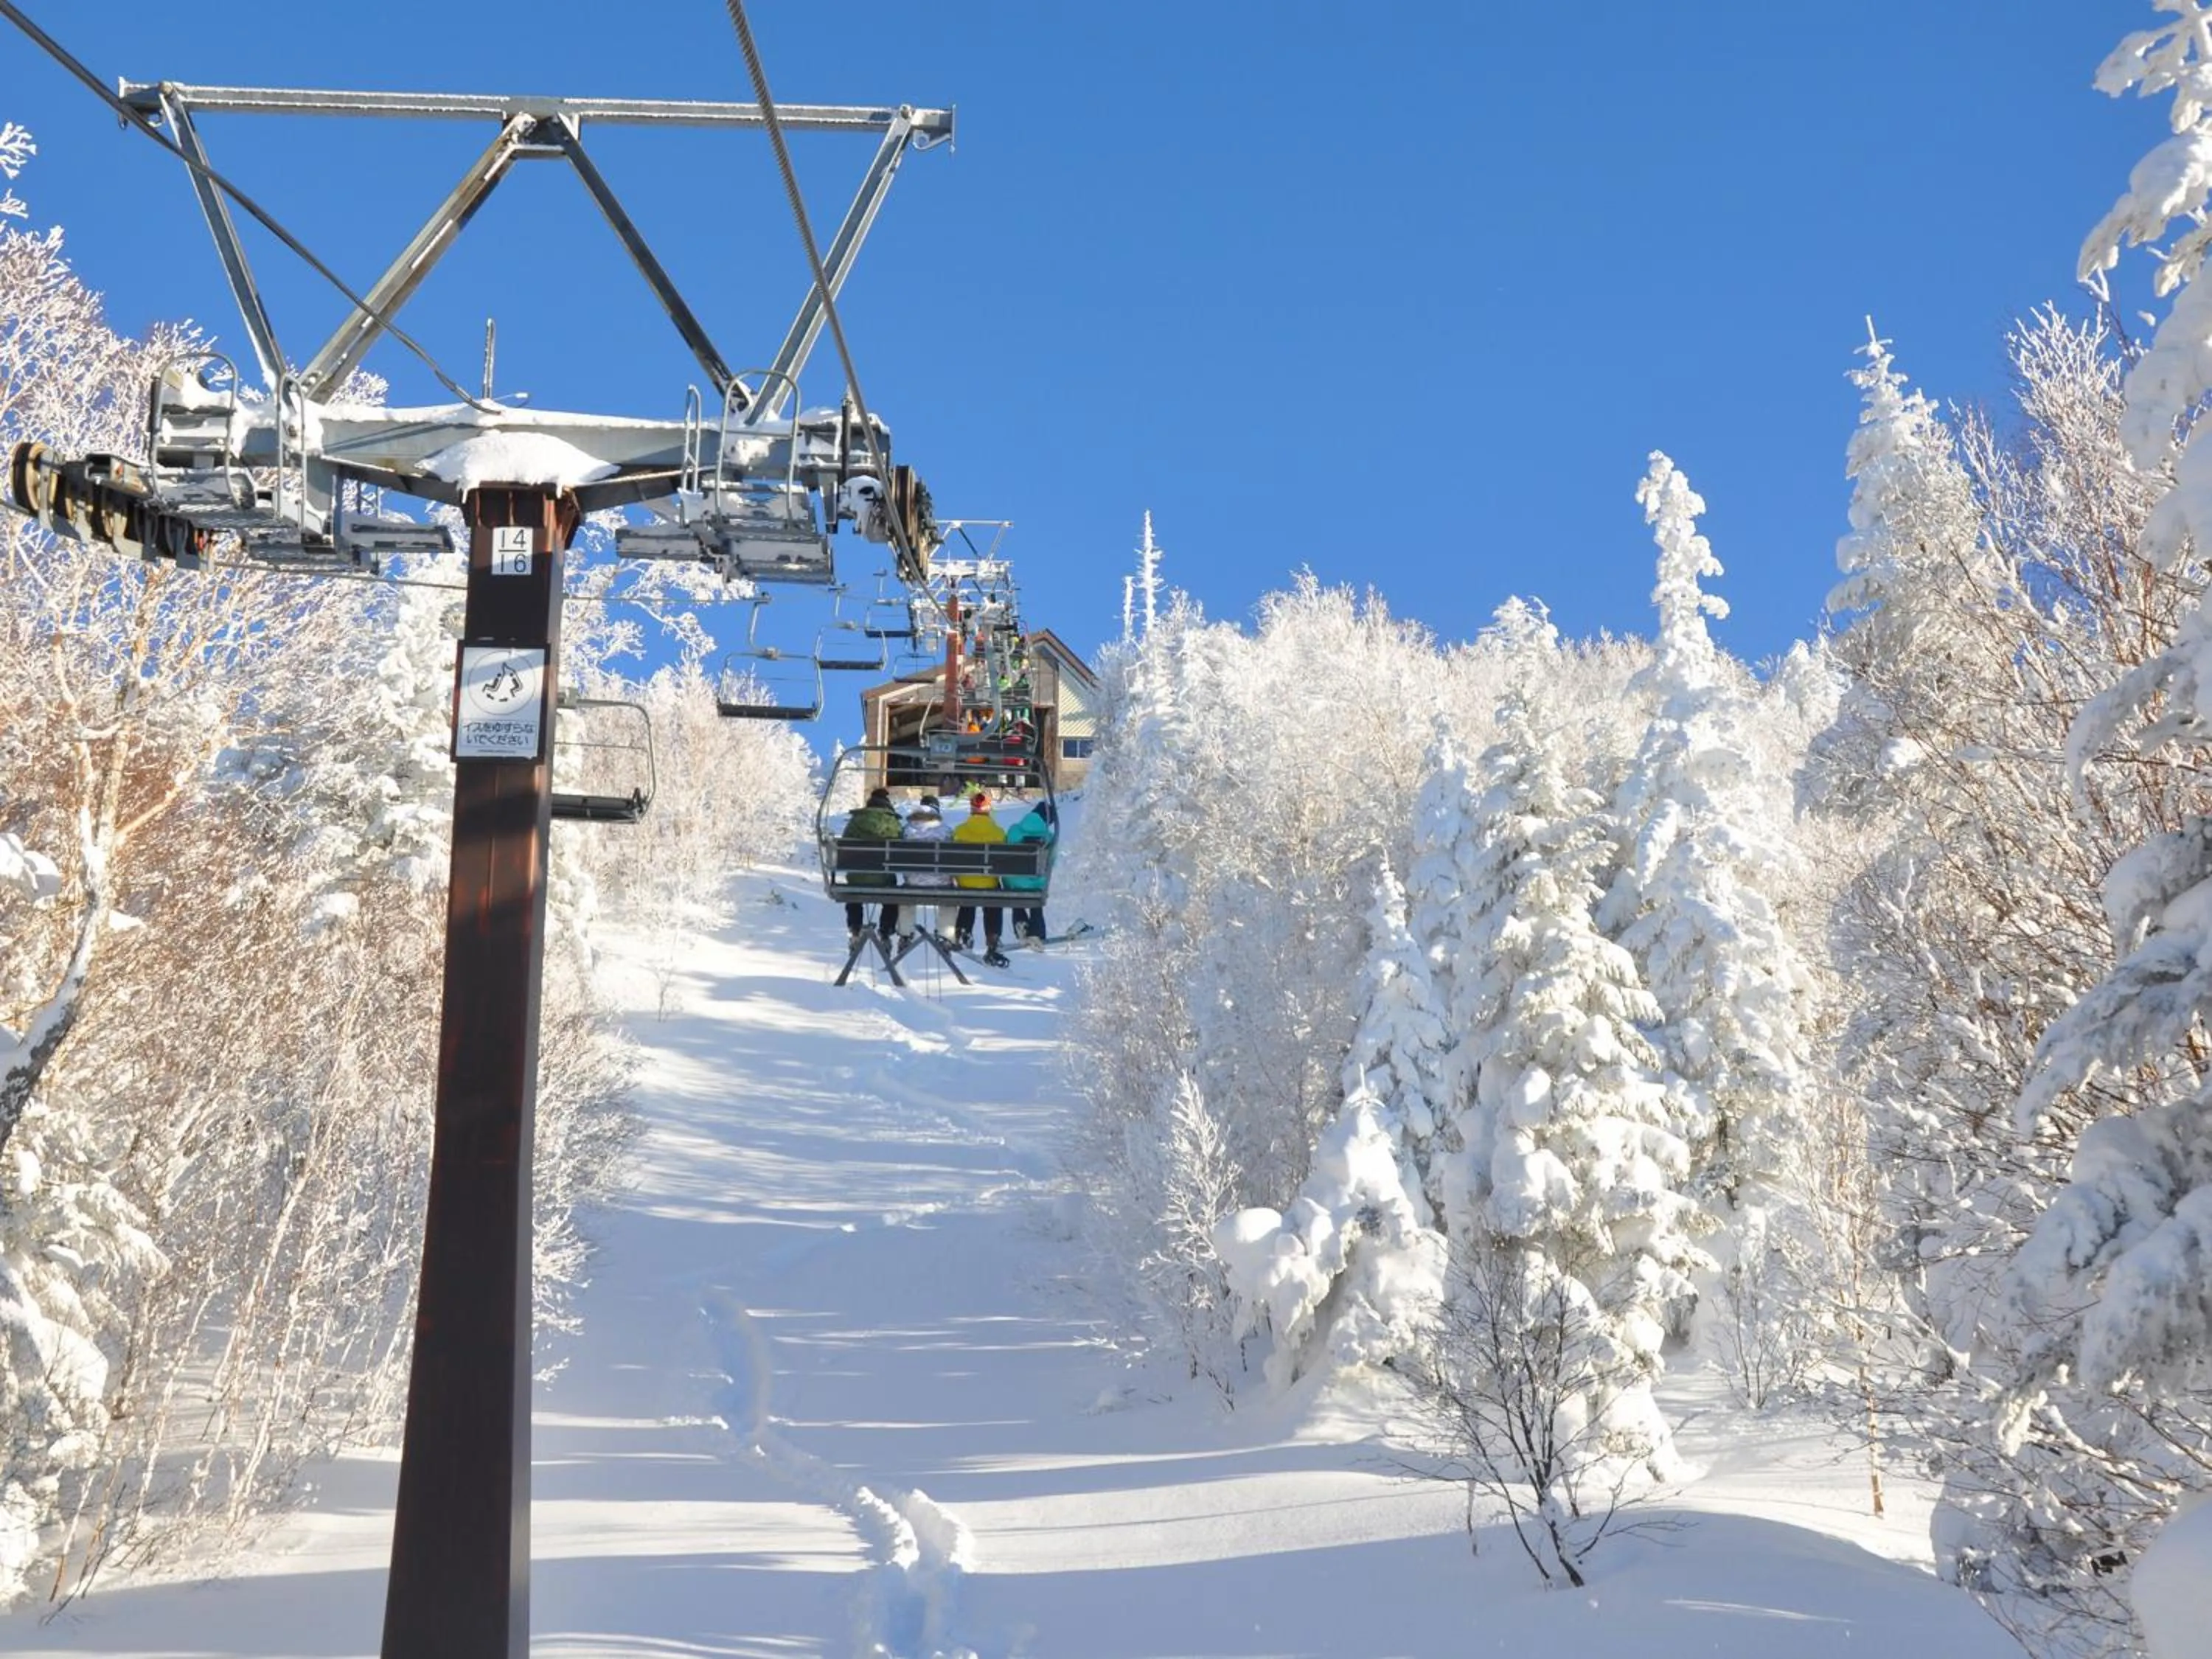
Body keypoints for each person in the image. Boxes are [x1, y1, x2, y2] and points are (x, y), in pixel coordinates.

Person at [837, 785, 905, 948]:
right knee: (892, 896)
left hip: (857, 877)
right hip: (884, 878)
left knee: (854, 891)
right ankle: (886, 931)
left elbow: (844, 846)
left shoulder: (856, 821)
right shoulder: (893, 822)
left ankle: (855, 929)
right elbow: (900, 850)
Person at [950, 790, 1009, 967]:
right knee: (993, 902)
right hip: (989, 882)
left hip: (965, 882)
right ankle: (993, 937)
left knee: (968, 899)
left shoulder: (959, 831)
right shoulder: (999, 833)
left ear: (971, 809)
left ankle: (964, 931)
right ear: (988, 809)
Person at [1003, 797, 1056, 947]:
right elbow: (1052, 860)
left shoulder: (1014, 831)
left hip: (1014, 882)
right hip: (1036, 882)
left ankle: (1020, 923)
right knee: (1036, 904)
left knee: (1017, 893)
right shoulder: (1049, 837)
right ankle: (1036, 933)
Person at [902, 793, 950, 940]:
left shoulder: (907, 830)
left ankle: (905, 933)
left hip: (913, 881)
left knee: (905, 896)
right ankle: (945, 935)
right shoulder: (946, 830)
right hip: (941, 882)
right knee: (950, 900)